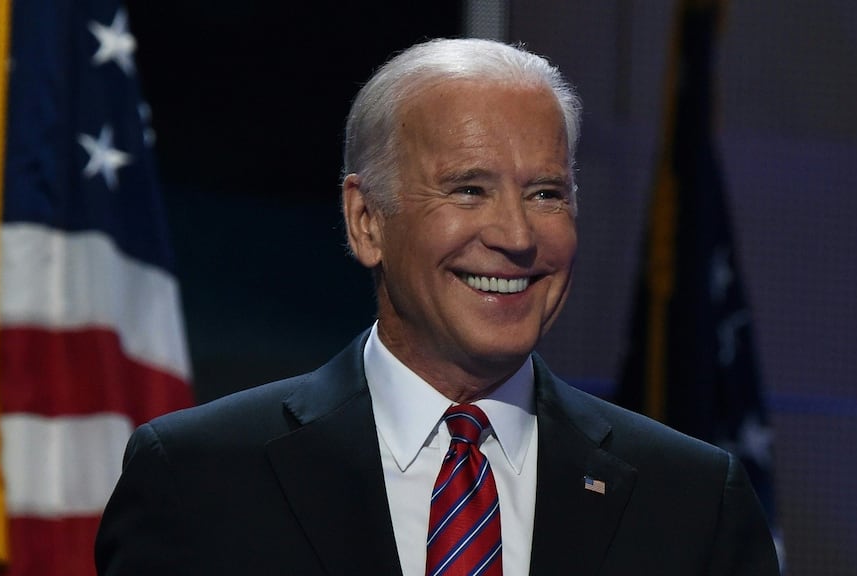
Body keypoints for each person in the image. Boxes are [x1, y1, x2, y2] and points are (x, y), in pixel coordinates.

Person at [94, 37, 780, 576]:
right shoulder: (200, 480)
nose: (516, 237)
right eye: (469, 191)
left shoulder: (693, 503)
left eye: (546, 194)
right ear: (366, 220)